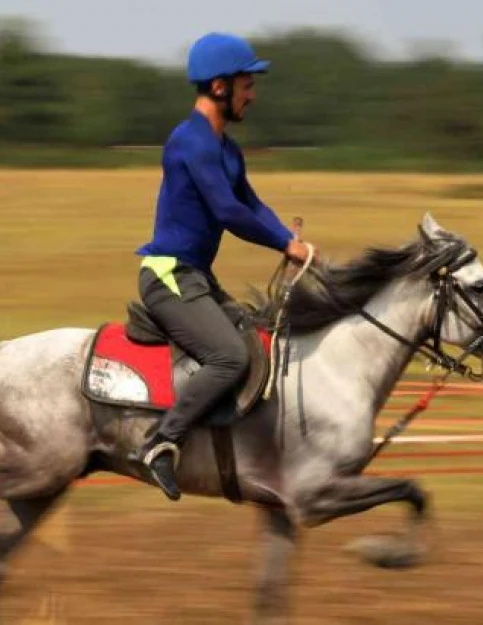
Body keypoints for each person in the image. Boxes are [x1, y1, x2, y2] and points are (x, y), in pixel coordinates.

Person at [131, 32, 315, 501]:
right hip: (168, 276)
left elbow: (250, 202)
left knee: (258, 339)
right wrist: (283, 245)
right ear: (218, 87)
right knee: (230, 356)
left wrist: (288, 241)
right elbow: (228, 212)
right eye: (245, 84)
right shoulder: (190, 142)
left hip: (196, 278)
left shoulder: (226, 149)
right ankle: (161, 443)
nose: (252, 95)